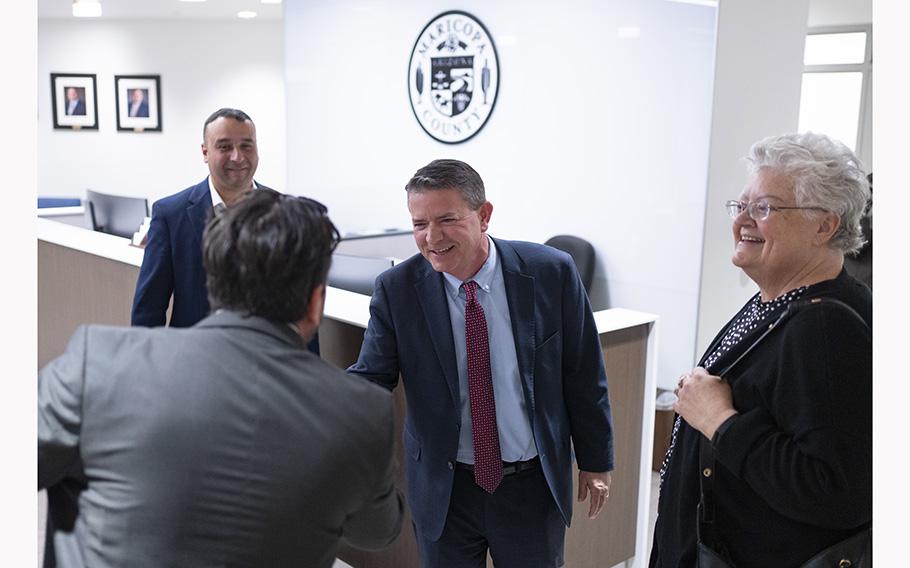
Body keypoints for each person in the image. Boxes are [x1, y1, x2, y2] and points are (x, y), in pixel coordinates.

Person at [39, 189, 404, 568]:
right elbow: (376, 532)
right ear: (315, 303)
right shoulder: (361, 411)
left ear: (213, 285)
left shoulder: (95, 361)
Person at [348, 159, 615, 567]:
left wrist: (595, 461)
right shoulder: (397, 290)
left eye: (446, 220)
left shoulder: (551, 272)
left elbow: (583, 372)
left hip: (530, 485)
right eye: (419, 224)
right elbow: (371, 378)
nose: (431, 237)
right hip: (446, 490)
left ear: (484, 215)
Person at [650, 132, 872, 567]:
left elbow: (837, 492)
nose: (742, 220)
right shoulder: (780, 298)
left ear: (824, 225)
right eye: (741, 205)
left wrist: (719, 420)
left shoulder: (825, 326)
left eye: (765, 207)